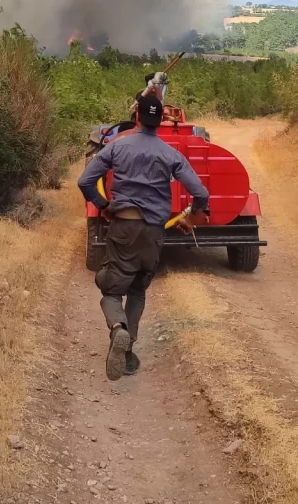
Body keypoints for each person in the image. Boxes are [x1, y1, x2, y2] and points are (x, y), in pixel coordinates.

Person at [78, 93, 209, 380]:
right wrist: (191, 216)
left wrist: (104, 207)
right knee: (137, 290)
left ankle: (118, 328)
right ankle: (127, 352)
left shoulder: (116, 147)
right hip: (153, 232)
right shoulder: (170, 154)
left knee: (112, 289)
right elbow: (200, 193)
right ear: (161, 120)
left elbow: (85, 180)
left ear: (137, 116)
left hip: (123, 226)